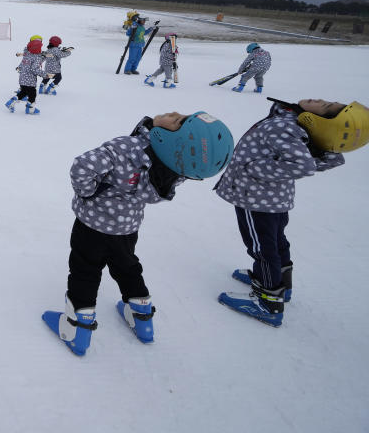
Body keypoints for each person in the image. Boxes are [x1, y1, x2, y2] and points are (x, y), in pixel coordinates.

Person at [41, 111, 233, 356]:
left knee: (85, 270)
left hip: (92, 225)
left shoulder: (127, 148)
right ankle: (141, 316)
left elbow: (82, 167)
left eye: (176, 121)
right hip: (126, 227)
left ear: (172, 141)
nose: (174, 113)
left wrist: (88, 192)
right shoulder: (175, 167)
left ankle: (76, 328)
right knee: (127, 266)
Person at [216, 98, 366, 326]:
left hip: (254, 197)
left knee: (261, 248)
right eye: (328, 101)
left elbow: (303, 165)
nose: (320, 100)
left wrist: (253, 168)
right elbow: (325, 159)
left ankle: (268, 301)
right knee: (276, 241)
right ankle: (282, 285)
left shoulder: (283, 126)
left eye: (325, 107)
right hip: (275, 198)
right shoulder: (298, 124)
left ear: (321, 120)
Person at [6, 35, 48, 115]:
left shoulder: (27, 54)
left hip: (22, 78)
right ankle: (30, 109)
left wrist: (44, 57)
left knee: (24, 92)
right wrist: (45, 75)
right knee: (32, 94)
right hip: (30, 81)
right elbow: (35, 69)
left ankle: (11, 101)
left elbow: (22, 65)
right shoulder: (37, 58)